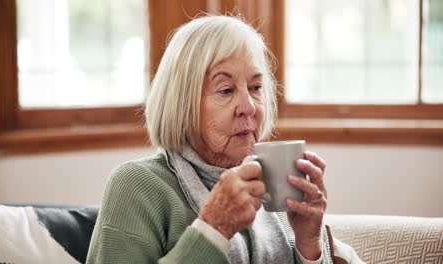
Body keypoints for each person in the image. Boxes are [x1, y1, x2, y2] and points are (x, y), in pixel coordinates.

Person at [86, 15, 363, 264]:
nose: (249, 107)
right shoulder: (137, 186)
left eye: (255, 87)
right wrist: (213, 228)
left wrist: (309, 246)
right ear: (182, 103)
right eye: (226, 89)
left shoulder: (274, 186)